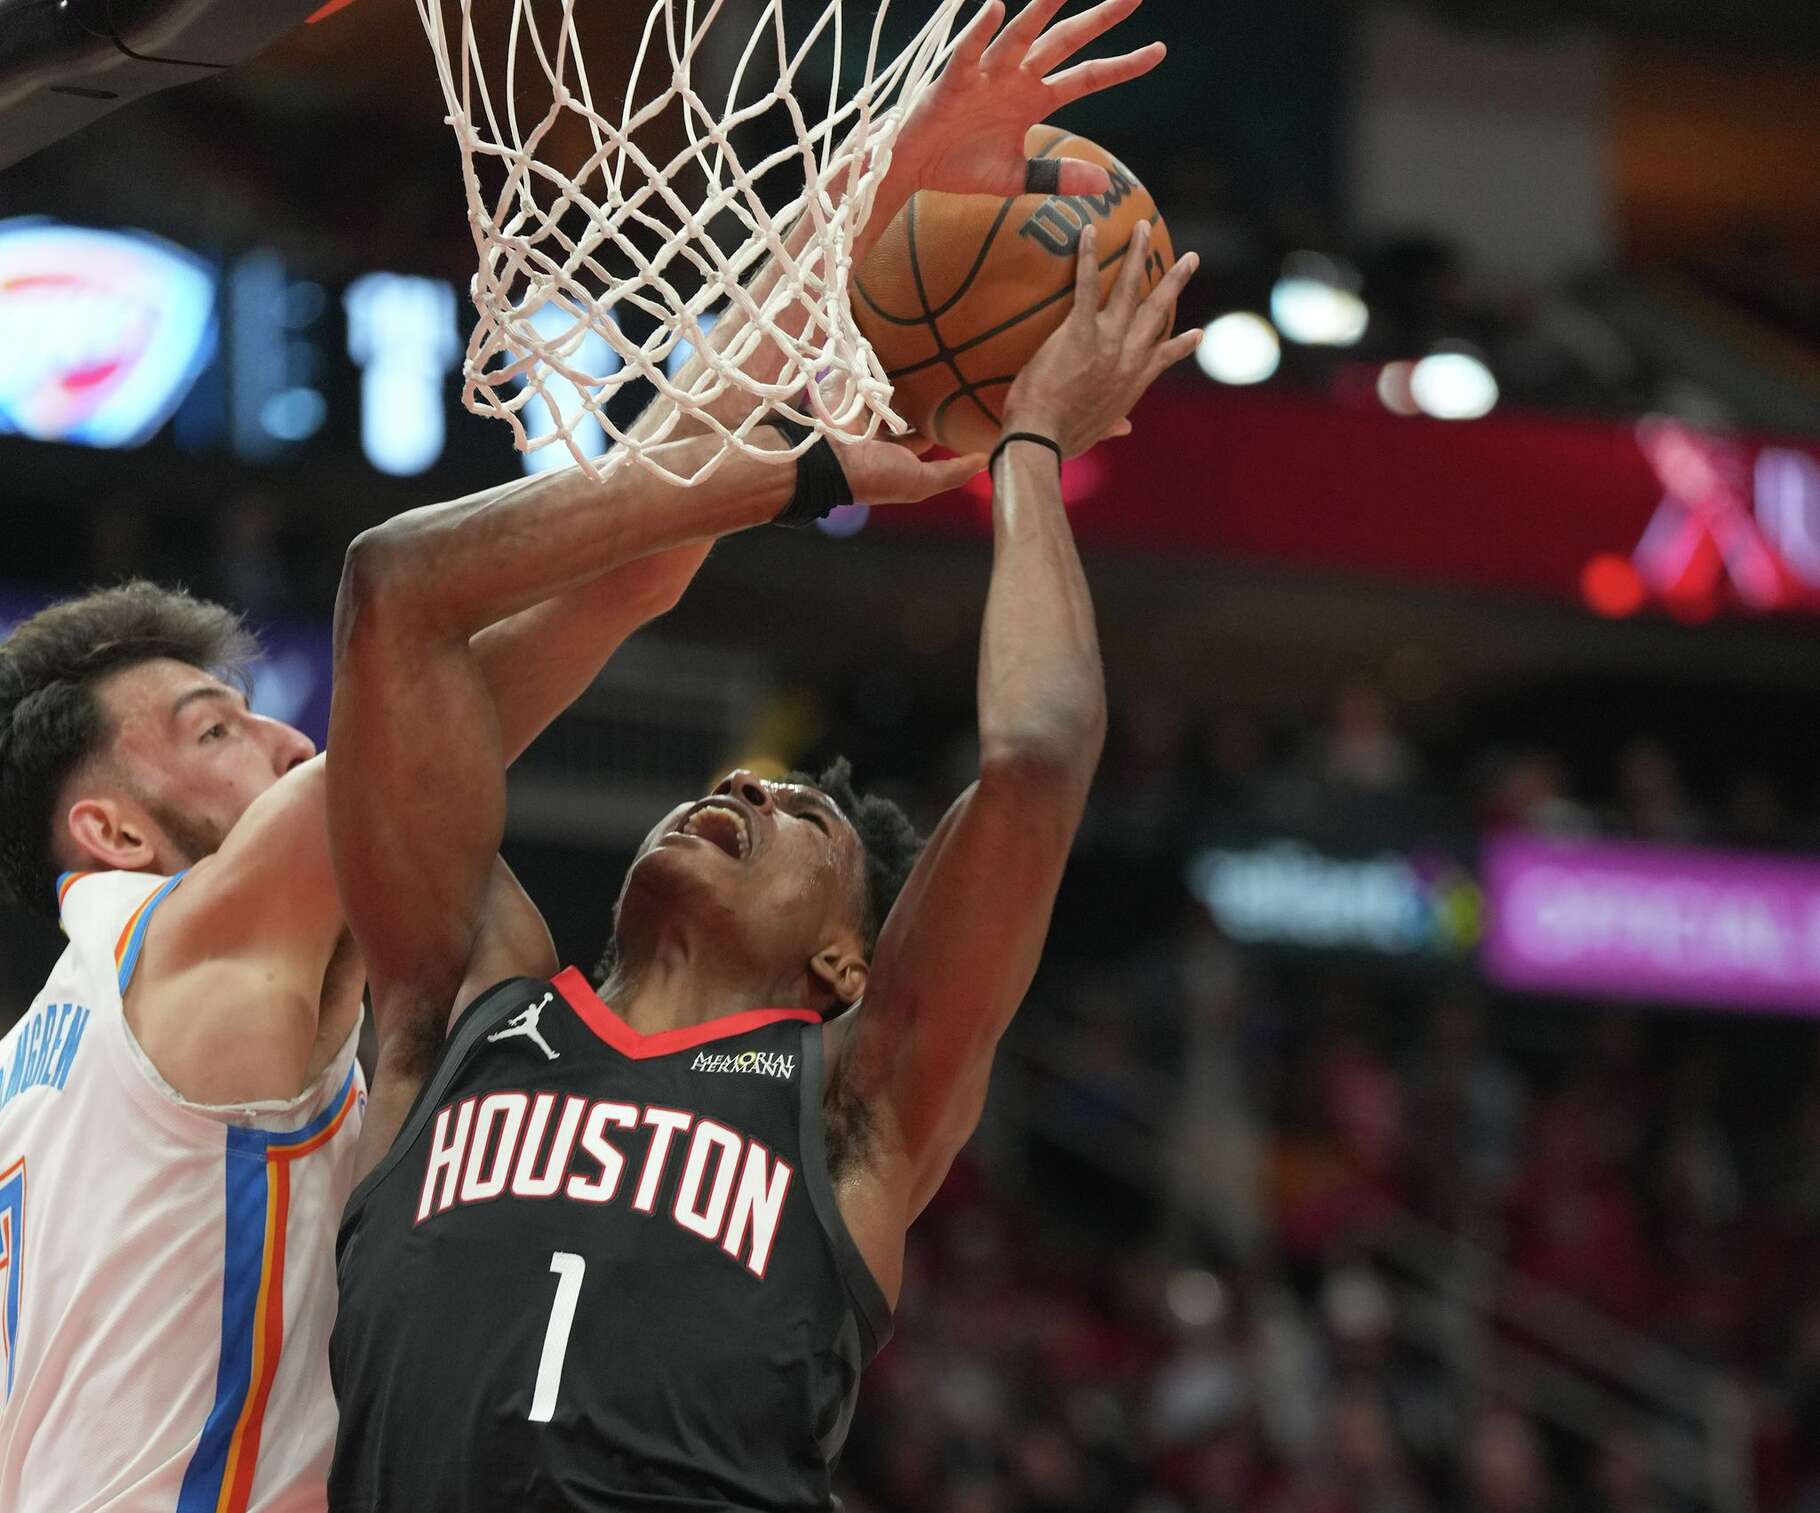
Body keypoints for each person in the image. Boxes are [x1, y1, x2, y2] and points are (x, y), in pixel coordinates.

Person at [0, 3, 1164, 1506]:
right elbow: (515, 589)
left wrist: (857, 208)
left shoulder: (70, 1060)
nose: (290, 736)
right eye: (216, 731)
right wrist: (811, 445)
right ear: (109, 833)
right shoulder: (188, 939)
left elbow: (615, 570)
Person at [324, 185, 1201, 1507]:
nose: (743, 782)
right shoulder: (462, 1006)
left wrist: (1030, 447)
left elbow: (1037, 758)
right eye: (755, 782)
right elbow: (394, 591)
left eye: (804, 816)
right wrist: (797, 475)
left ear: (846, 959)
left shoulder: (853, 1106)